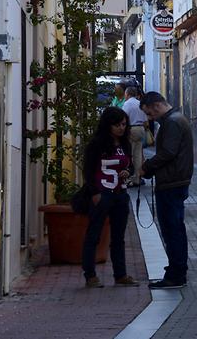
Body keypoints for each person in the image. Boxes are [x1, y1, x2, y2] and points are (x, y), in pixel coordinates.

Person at [140, 92, 194, 289]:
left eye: (149, 114)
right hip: (176, 181)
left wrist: (147, 167)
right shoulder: (176, 119)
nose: (149, 118)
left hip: (171, 183)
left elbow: (168, 153)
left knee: (172, 230)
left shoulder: (171, 122)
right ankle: (175, 271)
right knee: (175, 229)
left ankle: (176, 274)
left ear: (155, 106)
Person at [81, 106, 139, 288]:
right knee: (94, 235)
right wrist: (95, 193)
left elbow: (130, 166)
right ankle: (90, 275)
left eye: (123, 124)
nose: (121, 128)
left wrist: (127, 172)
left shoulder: (125, 145)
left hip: (120, 195)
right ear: (108, 125)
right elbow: (88, 171)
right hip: (102, 194)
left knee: (118, 237)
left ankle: (120, 275)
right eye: (117, 125)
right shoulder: (96, 145)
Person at [122, 86, 147, 186]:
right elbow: (146, 120)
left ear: (127, 94)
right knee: (138, 155)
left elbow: (123, 118)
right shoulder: (140, 103)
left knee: (129, 154)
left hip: (131, 129)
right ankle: (137, 178)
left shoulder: (127, 104)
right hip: (141, 129)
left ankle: (129, 178)